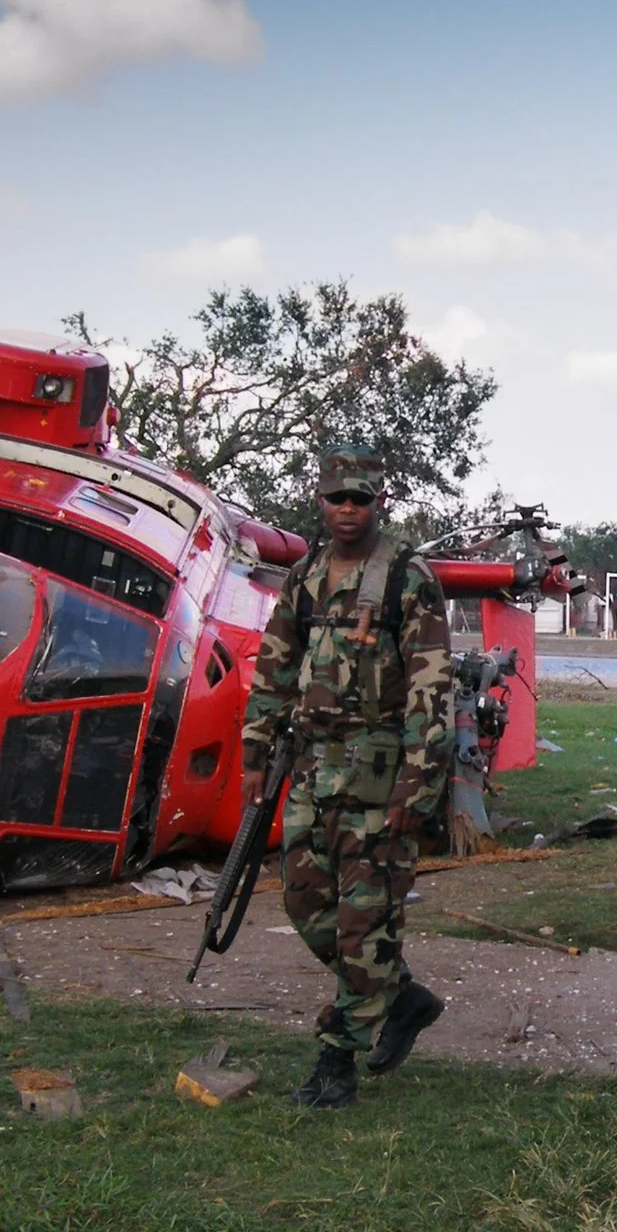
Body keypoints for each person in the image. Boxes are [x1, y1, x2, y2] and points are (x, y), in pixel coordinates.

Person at [241, 441, 453, 1109]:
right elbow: (274, 670)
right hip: (312, 771)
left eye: (361, 497)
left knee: (365, 922)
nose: (349, 509)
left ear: (379, 501)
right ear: (321, 499)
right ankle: (400, 995)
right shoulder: (304, 579)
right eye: (338, 497)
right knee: (306, 905)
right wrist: (256, 753)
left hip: (380, 773)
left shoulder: (406, 579)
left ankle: (336, 1058)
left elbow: (431, 692)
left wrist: (416, 790)